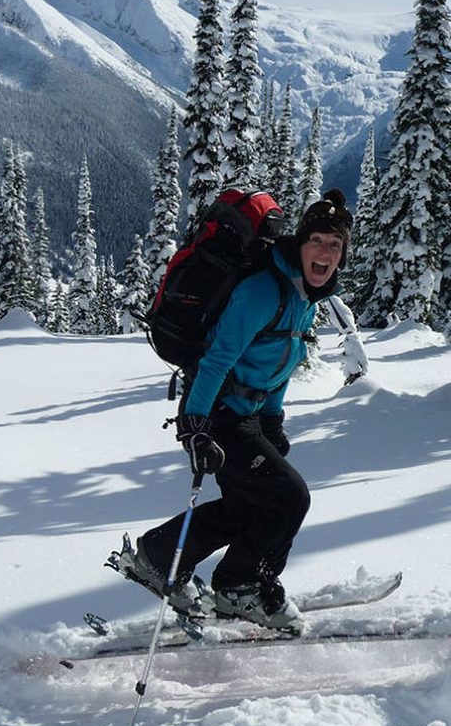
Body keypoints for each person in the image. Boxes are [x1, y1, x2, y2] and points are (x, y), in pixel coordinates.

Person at [117, 188, 357, 630]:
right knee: (290, 498)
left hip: (245, 414)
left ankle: (157, 557)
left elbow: (283, 362)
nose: (325, 252)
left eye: (335, 245)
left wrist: (273, 419)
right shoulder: (264, 291)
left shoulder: (304, 296)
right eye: (317, 241)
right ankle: (240, 586)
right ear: (300, 244)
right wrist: (196, 424)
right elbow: (218, 358)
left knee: (249, 506)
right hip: (217, 411)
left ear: (342, 256)